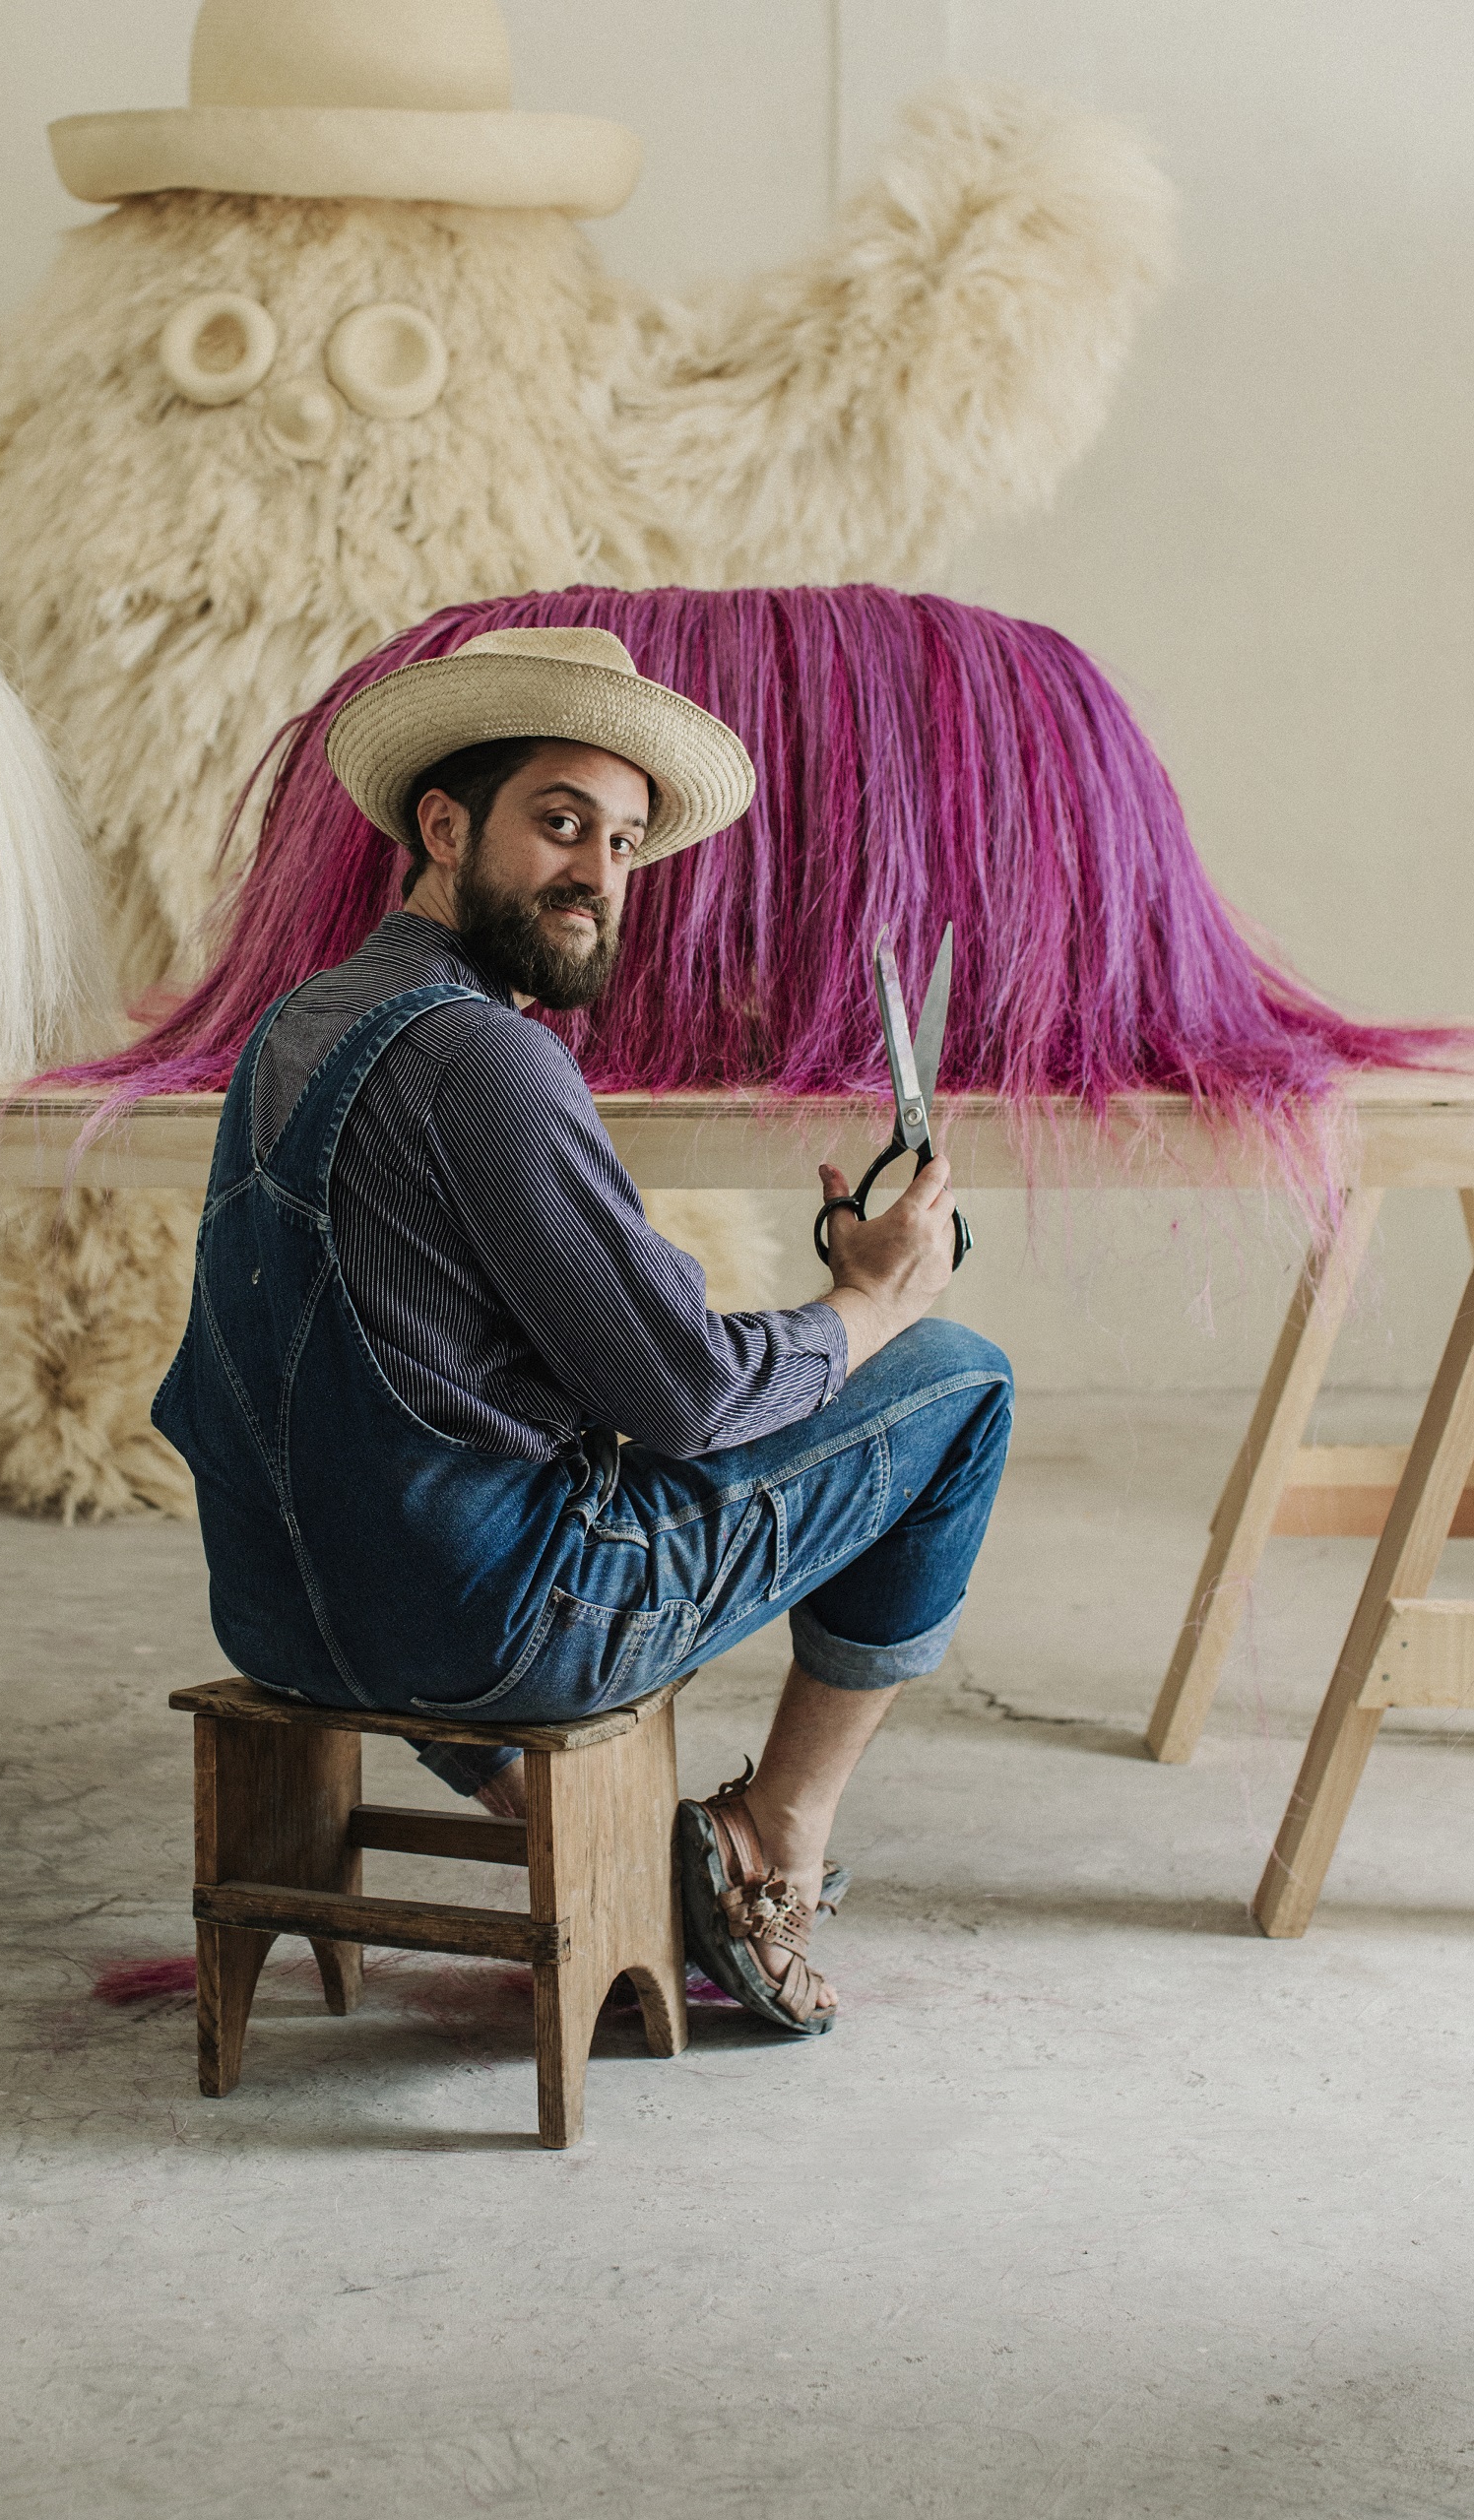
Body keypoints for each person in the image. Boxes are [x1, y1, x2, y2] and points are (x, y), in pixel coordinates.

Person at [153, 622, 1012, 2035]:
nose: (597, 877)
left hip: (279, 1611)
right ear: (444, 822)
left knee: (433, 1509)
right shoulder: (484, 1058)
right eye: (560, 824)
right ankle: (768, 1843)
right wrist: (870, 1303)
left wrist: (806, 1320)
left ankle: (596, 1848)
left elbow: (444, 1350)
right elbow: (679, 1396)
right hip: (492, 1633)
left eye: (621, 844)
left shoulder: (296, 1028)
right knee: (960, 1382)